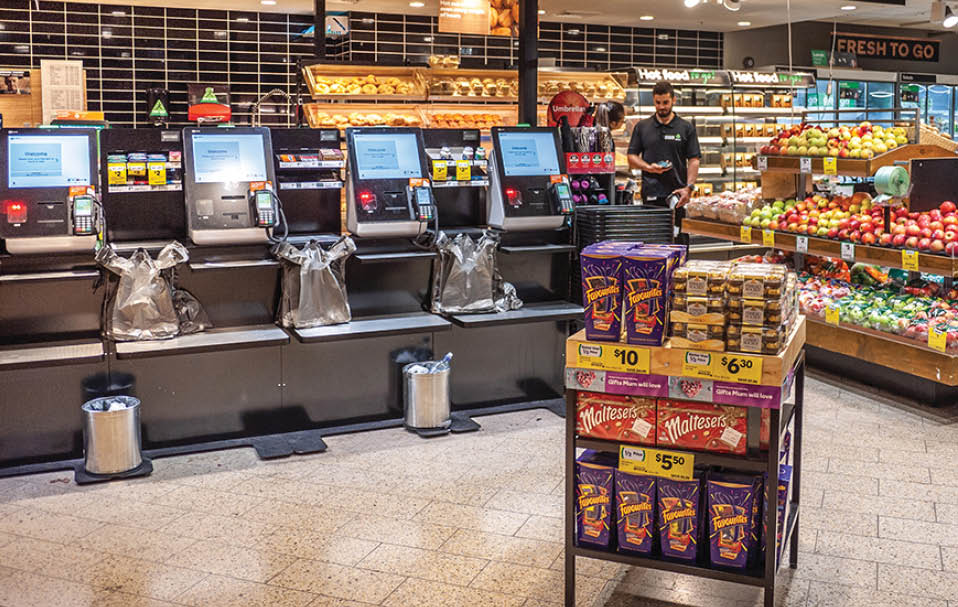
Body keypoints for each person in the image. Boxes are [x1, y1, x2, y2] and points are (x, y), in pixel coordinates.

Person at [627, 81, 701, 238]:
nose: (662, 107)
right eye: (658, 103)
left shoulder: (686, 128)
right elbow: (631, 157)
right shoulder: (642, 127)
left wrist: (689, 188)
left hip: (678, 195)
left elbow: (694, 159)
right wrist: (649, 168)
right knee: (653, 242)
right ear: (653, 101)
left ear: (674, 100)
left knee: (679, 241)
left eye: (666, 102)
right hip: (652, 196)